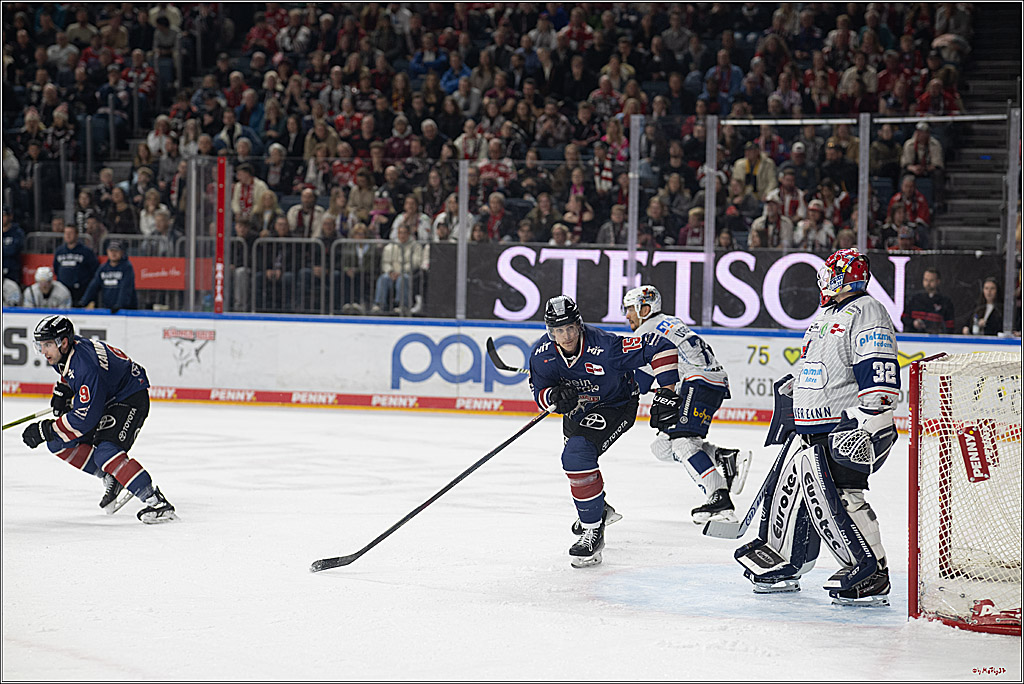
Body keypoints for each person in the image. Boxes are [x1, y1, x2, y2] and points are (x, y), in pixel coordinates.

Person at [736, 248, 898, 606]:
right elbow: (816, 365)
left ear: (844, 276)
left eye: (829, 272)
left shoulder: (867, 310)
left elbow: (878, 368)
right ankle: (787, 561)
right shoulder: (826, 314)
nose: (823, 278)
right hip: (809, 427)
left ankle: (873, 574)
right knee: (795, 496)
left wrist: (872, 418)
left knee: (842, 498)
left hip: (843, 427)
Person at [528, 295, 681, 568]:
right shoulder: (542, 355)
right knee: (577, 462)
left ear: (580, 325)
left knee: (576, 456)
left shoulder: (607, 346)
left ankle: (592, 532)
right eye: (558, 331)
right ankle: (600, 510)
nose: (566, 337)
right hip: (578, 411)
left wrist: (667, 391)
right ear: (550, 331)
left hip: (615, 404)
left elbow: (661, 347)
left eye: (570, 328)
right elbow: (538, 392)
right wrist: (554, 395)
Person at [21, 315, 177, 523]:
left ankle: (156, 502)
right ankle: (111, 476)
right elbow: (74, 378)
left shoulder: (85, 366)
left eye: (48, 344)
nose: (43, 351)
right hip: (108, 396)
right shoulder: (65, 355)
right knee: (57, 443)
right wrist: (64, 391)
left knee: (106, 451)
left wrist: (46, 429)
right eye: (40, 345)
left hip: (130, 396)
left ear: (64, 342)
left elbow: (84, 419)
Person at [622, 286, 752, 523]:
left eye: (630, 308)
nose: (627, 315)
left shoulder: (646, 332)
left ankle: (719, 496)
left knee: (682, 442)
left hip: (698, 382)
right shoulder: (669, 322)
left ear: (645, 308)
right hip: (710, 382)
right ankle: (723, 457)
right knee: (662, 448)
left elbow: (640, 381)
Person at [79, 240, 138, 312]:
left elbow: (126, 288)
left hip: (125, 309)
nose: (113, 253)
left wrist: (120, 305)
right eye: (111, 251)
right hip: (108, 307)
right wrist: (84, 301)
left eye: (116, 251)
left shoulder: (127, 267)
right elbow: (94, 286)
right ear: (107, 252)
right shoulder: (103, 268)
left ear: (122, 252)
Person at [903, 267, 956, 334]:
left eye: (931, 280)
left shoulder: (945, 302)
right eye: (926, 280)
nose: (928, 283)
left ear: (938, 281)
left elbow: (950, 325)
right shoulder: (915, 299)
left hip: (935, 340)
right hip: (914, 338)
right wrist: (914, 323)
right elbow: (904, 317)